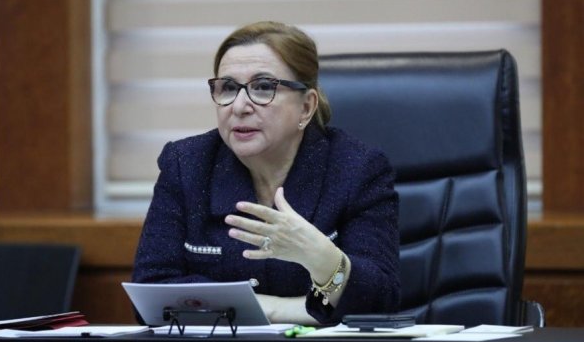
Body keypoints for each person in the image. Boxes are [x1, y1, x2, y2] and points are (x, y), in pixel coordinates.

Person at [132, 21, 400, 325]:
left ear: (306, 106)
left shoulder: (356, 169)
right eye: (228, 88)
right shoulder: (186, 165)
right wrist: (272, 308)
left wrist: (322, 257)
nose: (239, 106)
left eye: (262, 87)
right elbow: (150, 295)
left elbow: (380, 301)